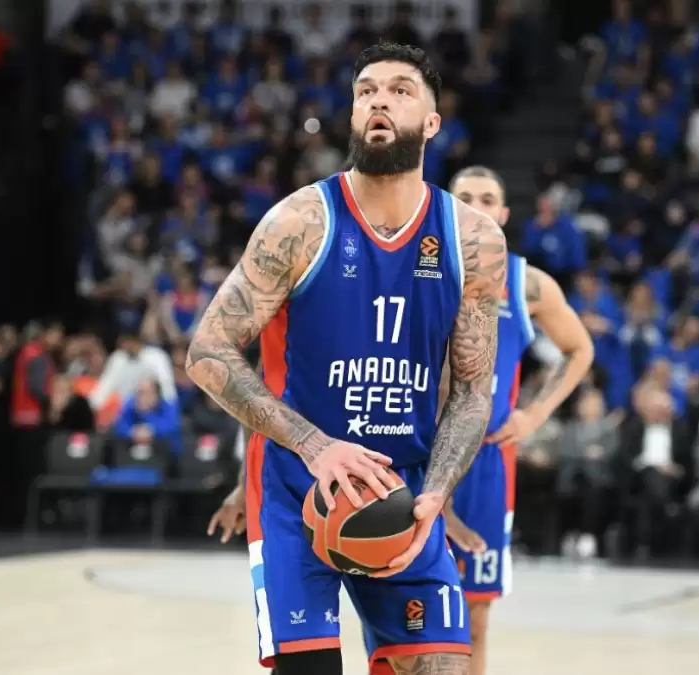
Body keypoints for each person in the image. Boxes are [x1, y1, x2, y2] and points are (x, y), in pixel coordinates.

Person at [190, 43, 507, 675]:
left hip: (403, 491)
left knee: (442, 664)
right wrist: (315, 446)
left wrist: (437, 493)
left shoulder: (473, 240)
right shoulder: (299, 222)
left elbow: (472, 393)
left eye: (399, 90)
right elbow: (208, 351)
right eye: (366, 91)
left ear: (433, 122)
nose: (379, 100)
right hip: (296, 488)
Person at [442, 166, 594, 675]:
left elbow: (579, 349)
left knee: (474, 620)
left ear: (504, 214)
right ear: (447, 208)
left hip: (486, 461)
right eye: (465, 197)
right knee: (407, 616)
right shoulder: (417, 269)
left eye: (488, 199)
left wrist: (534, 414)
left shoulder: (527, 284)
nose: (477, 207)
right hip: (418, 454)